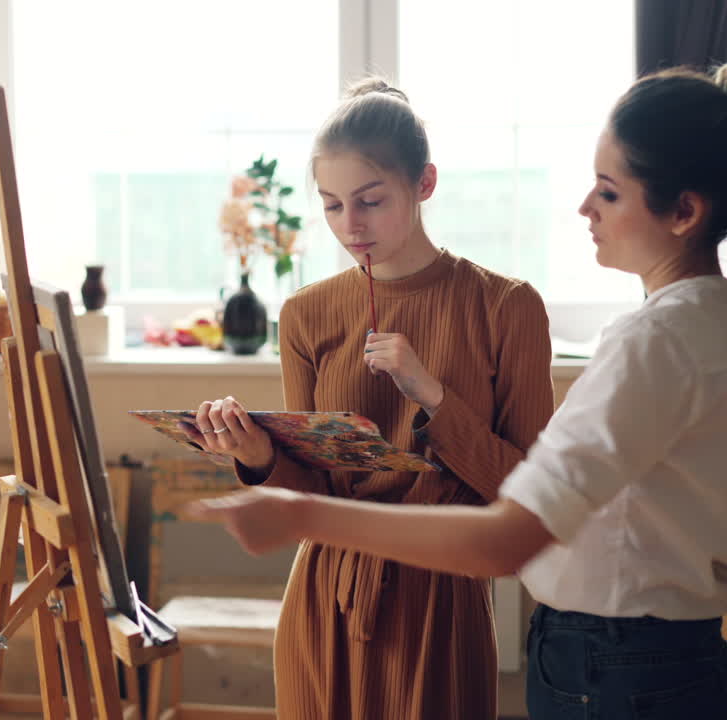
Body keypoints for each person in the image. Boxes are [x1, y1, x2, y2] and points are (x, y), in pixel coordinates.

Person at [187, 65, 727, 720]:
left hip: (612, 664)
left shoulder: (647, 341)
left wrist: (306, 512)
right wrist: (260, 461)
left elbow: (509, 533)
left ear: (685, 211)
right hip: (636, 657)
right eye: (331, 204)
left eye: (609, 193)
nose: (585, 207)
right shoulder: (719, 329)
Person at [182, 76, 555, 719]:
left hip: (443, 605)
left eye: (370, 201)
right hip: (323, 599)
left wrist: (433, 395)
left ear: (425, 184)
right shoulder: (306, 315)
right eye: (330, 205)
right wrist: (257, 455)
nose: (349, 226)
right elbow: (313, 497)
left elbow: (530, 501)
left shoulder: (505, 306)